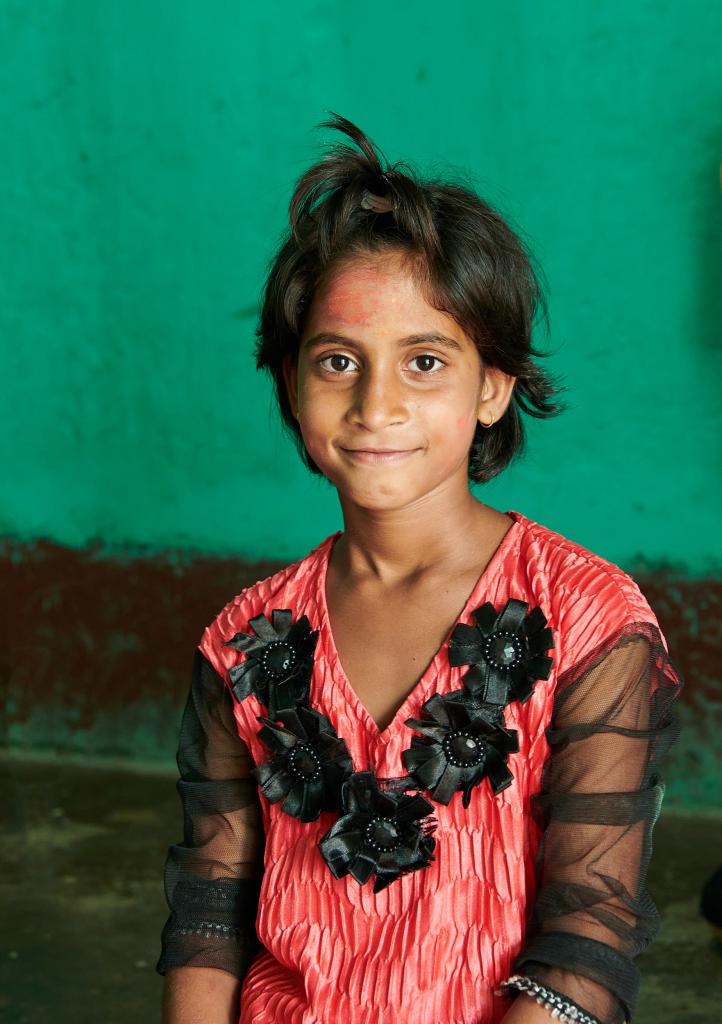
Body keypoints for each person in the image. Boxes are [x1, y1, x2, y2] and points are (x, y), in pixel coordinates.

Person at [156, 114, 682, 1024]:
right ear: (290, 382)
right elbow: (210, 908)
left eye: (425, 361)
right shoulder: (245, 641)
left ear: (493, 386)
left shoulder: (591, 620)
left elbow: (589, 934)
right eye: (336, 362)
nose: (376, 404)